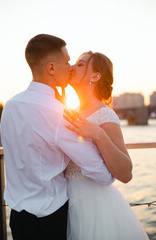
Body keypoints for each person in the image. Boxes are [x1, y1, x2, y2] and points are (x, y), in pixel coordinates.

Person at [0, 34, 115, 240]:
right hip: (49, 219)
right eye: (67, 61)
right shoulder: (59, 113)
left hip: (17, 217)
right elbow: (102, 174)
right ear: (51, 68)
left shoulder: (10, 106)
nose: (70, 67)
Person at [64, 51, 149, 239]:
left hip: (94, 207)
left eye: (80, 64)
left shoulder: (105, 115)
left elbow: (126, 173)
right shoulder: (73, 111)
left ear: (95, 76)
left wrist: (98, 134)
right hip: (67, 202)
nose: (72, 67)